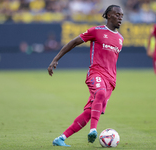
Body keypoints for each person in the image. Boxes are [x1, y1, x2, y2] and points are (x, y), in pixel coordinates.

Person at [47, 5, 124, 146]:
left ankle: (61, 139)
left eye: (122, 15)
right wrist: (55, 59)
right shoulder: (96, 31)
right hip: (95, 73)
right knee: (99, 93)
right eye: (117, 14)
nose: (120, 17)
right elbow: (74, 42)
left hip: (111, 82)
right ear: (108, 15)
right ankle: (93, 130)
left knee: (89, 113)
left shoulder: (120, 38)